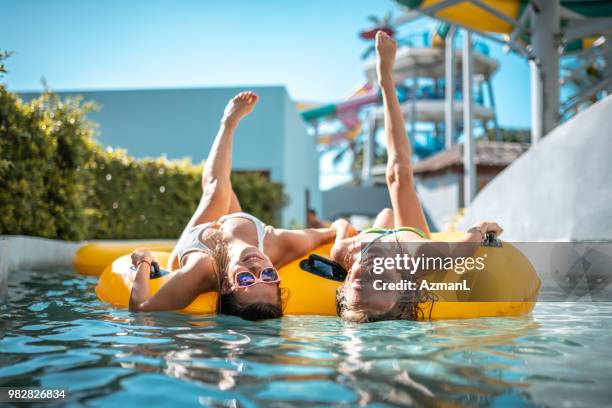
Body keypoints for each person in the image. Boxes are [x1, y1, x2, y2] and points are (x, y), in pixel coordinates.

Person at [330, 32, 503, 323]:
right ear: (402, 282)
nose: (371, 271)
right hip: (407, 235)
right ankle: (387, 82)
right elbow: (466, 245)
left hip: (375, 233)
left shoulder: (343, 252)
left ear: (346, 282)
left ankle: (384, 80)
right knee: (398, 176)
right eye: (381, 282)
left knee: (385, 214)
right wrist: (484, 227)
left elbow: (341, 230)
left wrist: (336, 228)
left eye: (362, 281)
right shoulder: (419, 257)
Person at [129, 92, 342, 320]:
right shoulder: (277, 244)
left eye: (246, 279)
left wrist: (143, 260)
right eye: (269, 275)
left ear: (226, 287)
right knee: (227, 198)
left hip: (201, 241)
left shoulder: (201, 268)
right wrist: (344, 247)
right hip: (239, 226)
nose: (256, 266)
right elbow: (337, 228)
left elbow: (142, 307)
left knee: (218, 190)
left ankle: (228, 122)